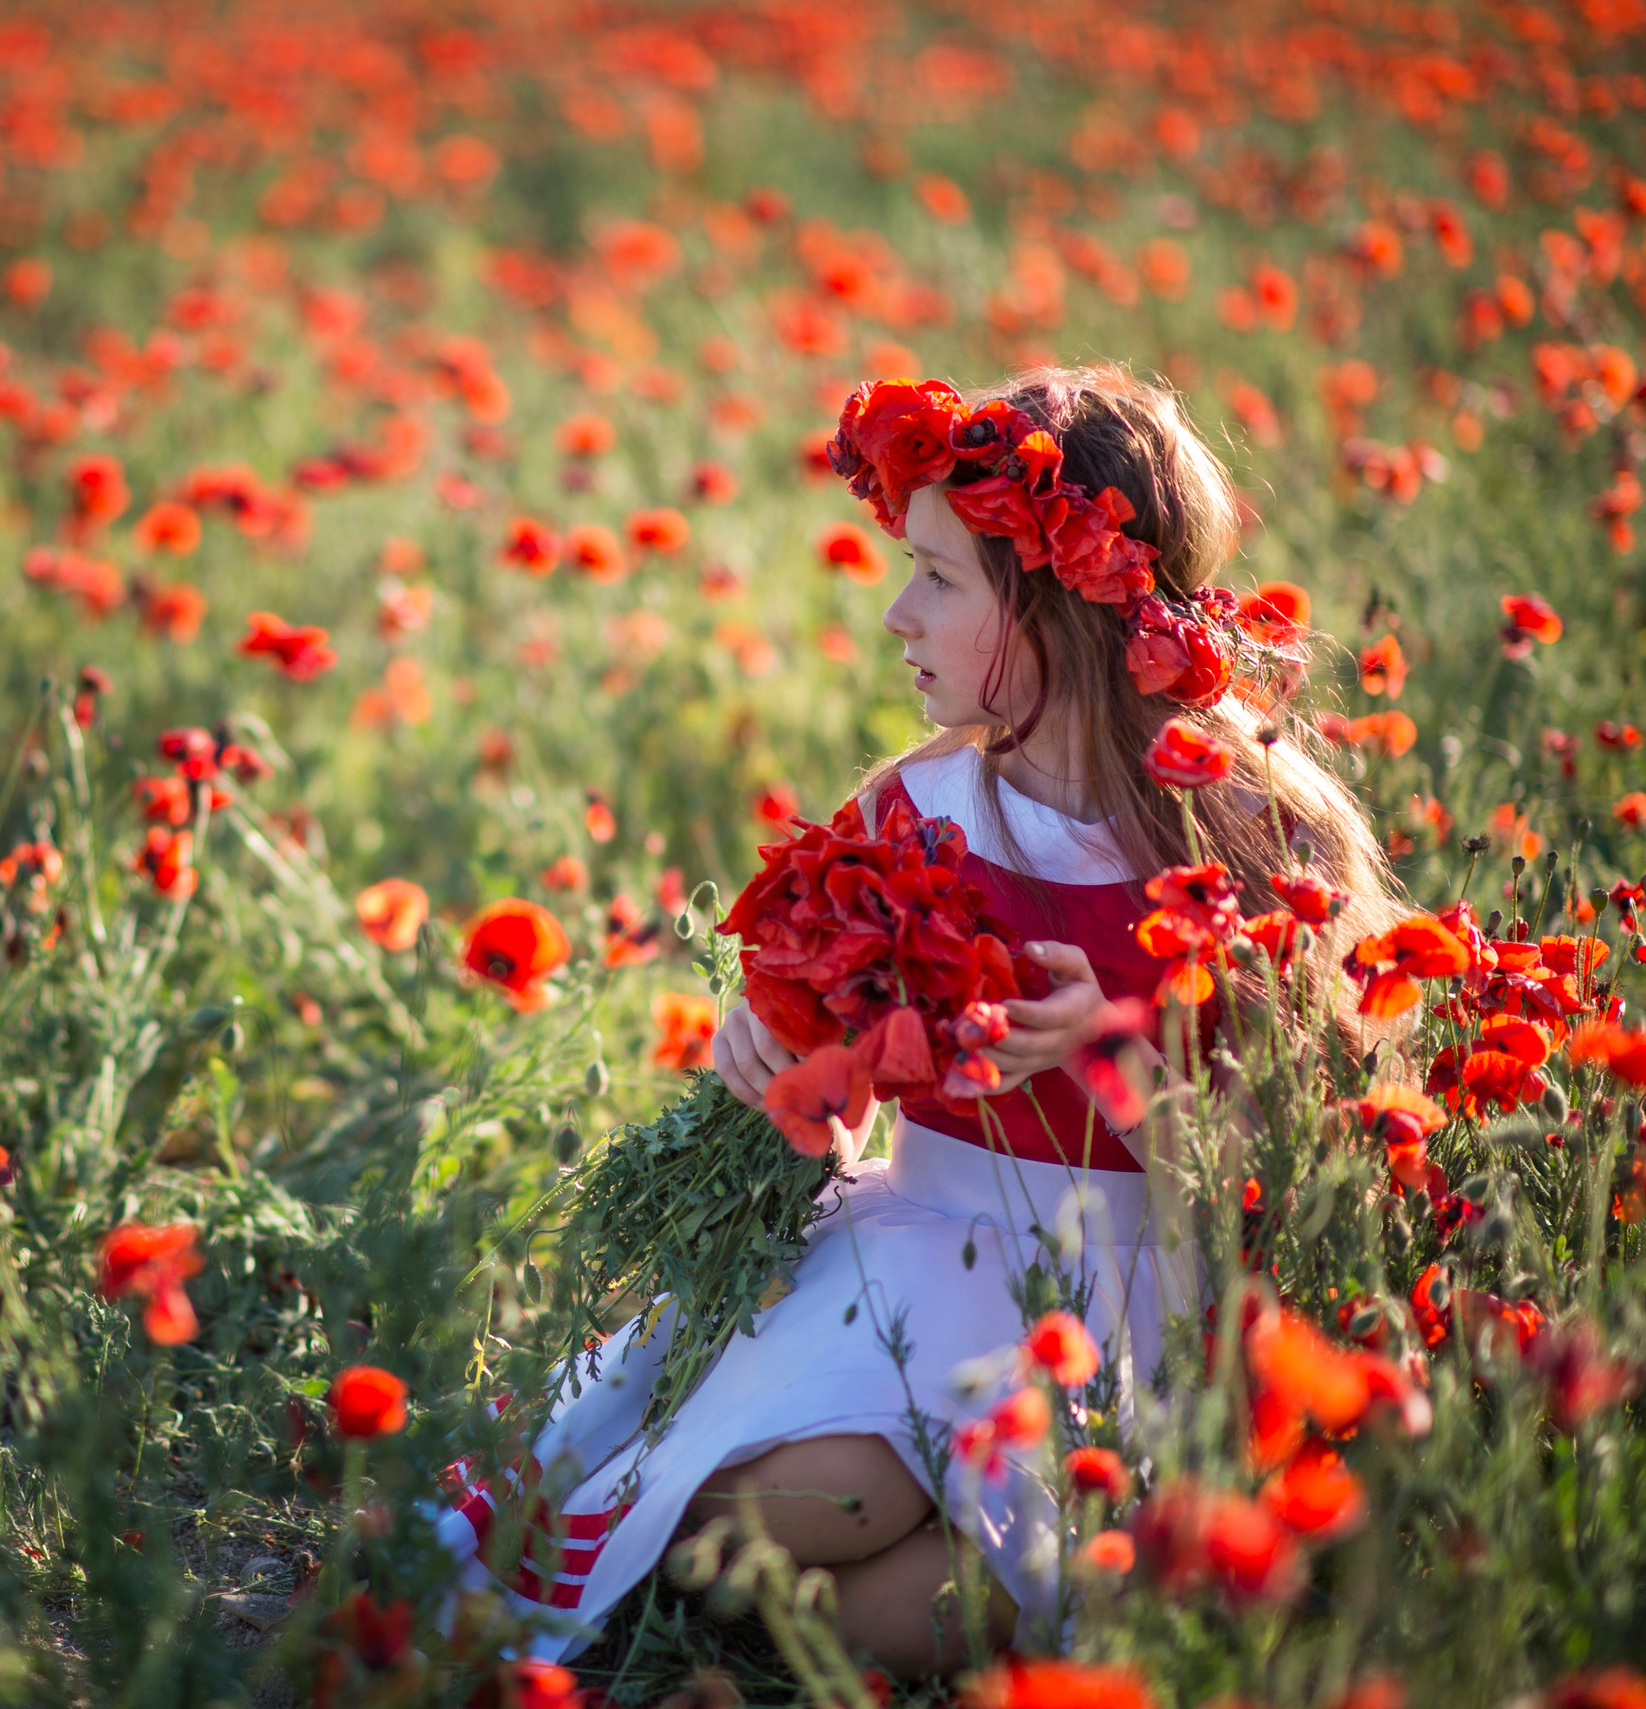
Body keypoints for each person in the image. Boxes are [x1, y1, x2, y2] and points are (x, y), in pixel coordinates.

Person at [435, 365, 1410, 1677]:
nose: (901, 613)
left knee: (949, 1578)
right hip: (917, 1245)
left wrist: (1120, 1057)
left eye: (942, 579)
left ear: (1056, 600)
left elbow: (1317, 1145)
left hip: (1134, 1294)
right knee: (821, 1494)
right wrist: (769, 1059)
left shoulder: (1249, 829)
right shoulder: (924, 811)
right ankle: (638, 1541)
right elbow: (817, 1052)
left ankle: (741, 1599)